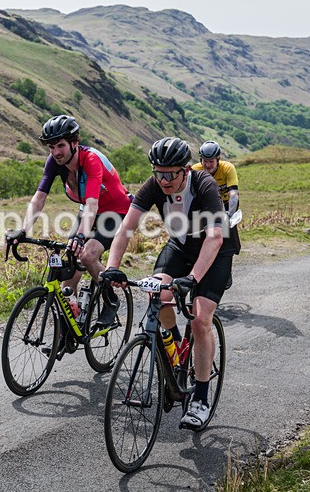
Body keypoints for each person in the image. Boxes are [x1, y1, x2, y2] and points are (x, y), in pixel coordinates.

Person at [100, 137, 234, 429]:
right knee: (155, 292)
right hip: (181, 246)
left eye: (170, 173)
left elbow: (215, 237)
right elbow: (125, 229)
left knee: (199, 320)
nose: (163, 179)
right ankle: (175, 347)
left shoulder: (204, 185)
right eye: (158, 172)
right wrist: (112, 268)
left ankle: (200, 397)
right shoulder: (153, 186)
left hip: (215, 250)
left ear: (185, 170)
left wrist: (192, 279)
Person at [7, 115, 131, 327]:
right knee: (70, 267)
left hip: (115, 210)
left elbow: (93, 203)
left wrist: (82, 236)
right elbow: (39, 198)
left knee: (88, 255)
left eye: (61, 145)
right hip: (88, 210)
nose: (56, 152)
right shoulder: (55, 162)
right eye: (51, 147)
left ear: (75, 143)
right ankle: (70, 325)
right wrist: (23, 230)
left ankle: (110, 300)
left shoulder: (91, 160)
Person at [192, 140, 241, 285]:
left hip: (225, 205)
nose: (207, 165)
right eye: (204, 161)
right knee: (197, 236)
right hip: (205, 206)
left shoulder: (228, 168)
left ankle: (227, 270)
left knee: (226, 235)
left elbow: (234, 195)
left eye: (211, 162)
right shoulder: (195, 169)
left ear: (218, 159)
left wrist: (229, 215)